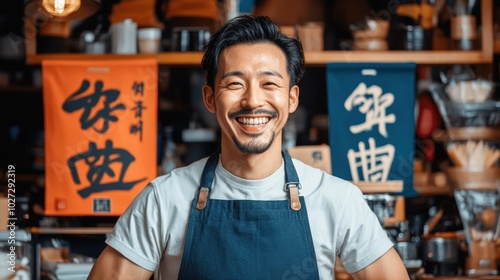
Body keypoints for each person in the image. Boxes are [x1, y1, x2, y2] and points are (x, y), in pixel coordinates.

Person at [88, 15, 409, 279]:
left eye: (269, 83)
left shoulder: (336, 199)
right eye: (235, 83)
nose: (253, 101)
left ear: (291, 98)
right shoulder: (164, 199)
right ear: (210, 98)